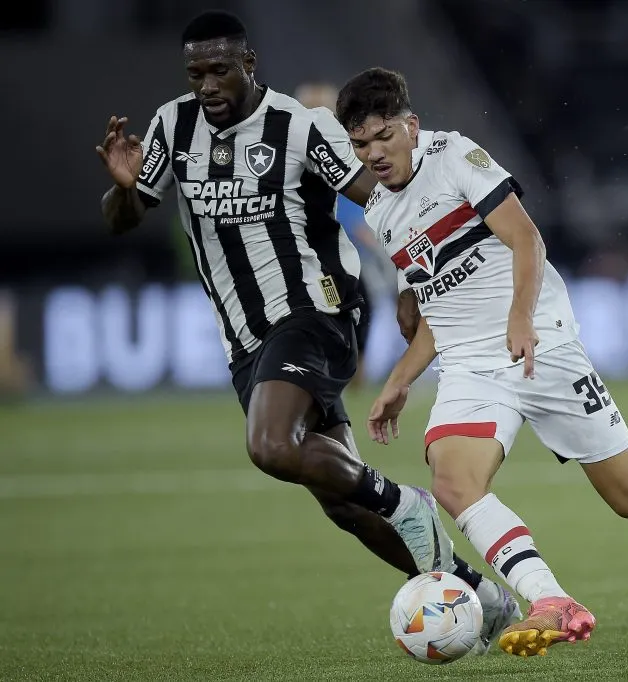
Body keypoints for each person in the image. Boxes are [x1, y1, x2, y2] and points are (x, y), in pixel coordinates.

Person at [94, 11, 518, 652]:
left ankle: (403, 499)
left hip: (316, 312)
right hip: (245, 337)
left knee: (269, 446)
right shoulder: (172, 125)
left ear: (249, 63)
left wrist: (407, 284)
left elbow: (386, 199)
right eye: (196, 72)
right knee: (339, 502)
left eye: (219, 69)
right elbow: (124, 217)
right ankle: (474, 592)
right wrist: (125, 190)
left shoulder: (300, 127)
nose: (206, 84)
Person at [336, 67, 628, 658]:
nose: (374, 153)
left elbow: (527, 240)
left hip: (543, 346)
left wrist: (520, 318)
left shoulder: (456, 158)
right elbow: (438, 307)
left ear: (410, 126)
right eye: (360, 144)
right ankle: (549, 599)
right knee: (452, 482)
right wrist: (399, 381)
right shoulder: (382, 214)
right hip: (471, 365)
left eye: (383, 136)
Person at [295, 82, 397, 389]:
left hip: (346, 253)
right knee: (332, 307)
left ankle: (351, 371)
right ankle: (328, 371)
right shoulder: (292, 156)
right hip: (313, 256)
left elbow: (355, 197)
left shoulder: (347, 151)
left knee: (357, 306)